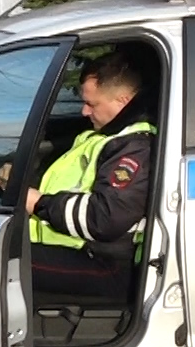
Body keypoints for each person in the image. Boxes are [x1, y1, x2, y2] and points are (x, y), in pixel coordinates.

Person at [21, 53, 156, 301]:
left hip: (106, 262)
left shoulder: (134, 147)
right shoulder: (106, 136)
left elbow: (105, 217)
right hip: (77, 247)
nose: (84, 111)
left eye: (91, 104)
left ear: (123, 101)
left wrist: (39, 204)